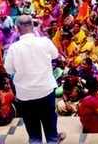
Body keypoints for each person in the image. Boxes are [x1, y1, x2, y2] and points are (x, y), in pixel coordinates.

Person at [4, 15, 65, 144]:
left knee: (33, 130)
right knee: (50, 124)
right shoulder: (45, 41)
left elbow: (9, 70)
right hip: (46, 91)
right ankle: (53, 140)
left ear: (17, 28)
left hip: (25, 94)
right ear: (33, 25)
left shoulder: (14, 48)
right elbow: (55, 55)